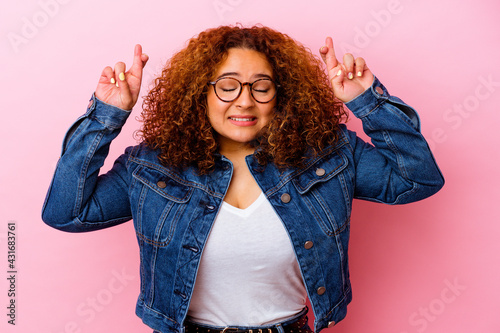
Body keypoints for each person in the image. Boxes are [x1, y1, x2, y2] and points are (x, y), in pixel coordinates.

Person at [42, 25, 444, 333]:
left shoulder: (330, 154)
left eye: (261, 87)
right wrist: (105, 116)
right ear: (200, 93)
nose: (245, 100)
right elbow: (66, 213)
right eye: (227, 86)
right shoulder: (151, 166)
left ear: (282, 94)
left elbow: (418, 180)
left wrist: (366, 100)